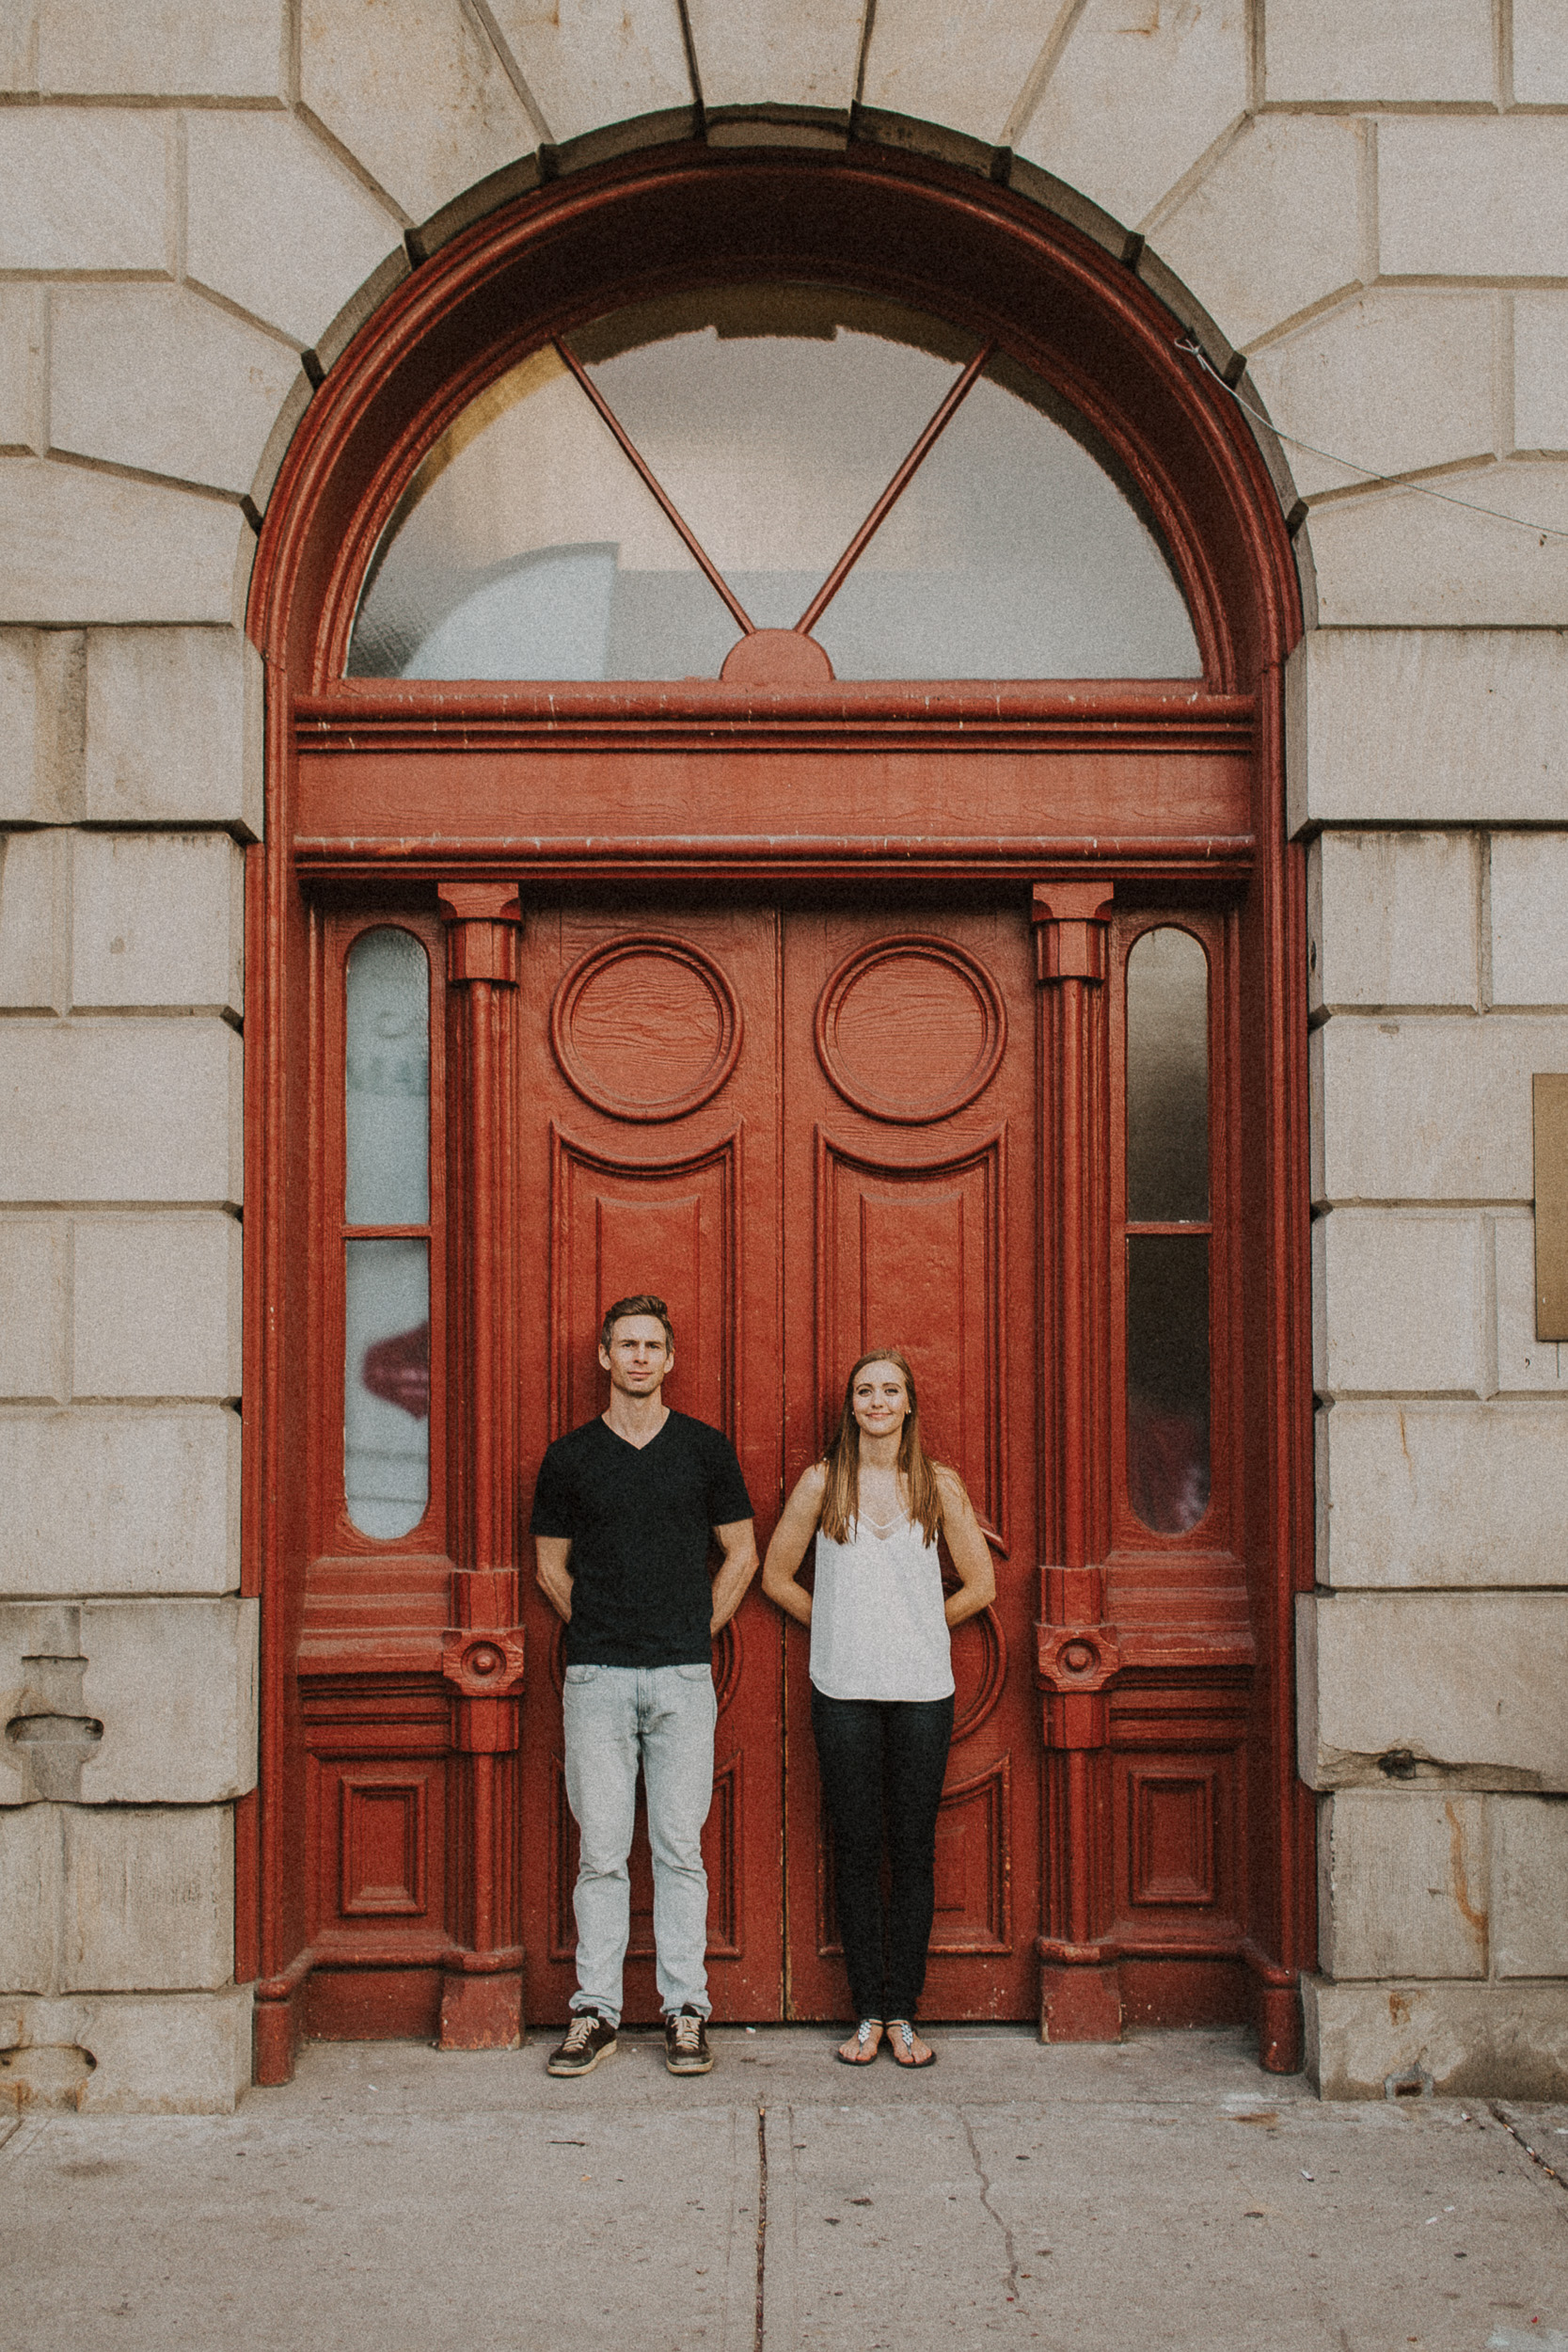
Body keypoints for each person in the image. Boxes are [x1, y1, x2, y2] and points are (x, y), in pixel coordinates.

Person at [531, 1294, 757, 2077]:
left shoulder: (703, 1449)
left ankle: (685, 2011)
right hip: (595, 1675)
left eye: (651, 1345)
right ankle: (594, 2012)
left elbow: (742, 1554)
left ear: (670, 1359)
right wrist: (599, 1622)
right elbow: (549, 1567)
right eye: (624, 1344)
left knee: (677, 1848)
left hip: (682, 1677)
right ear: (603, 1356)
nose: (637, 1357)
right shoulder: (569, 1459)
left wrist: (698, 1630)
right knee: (599, 1851)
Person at [760, 1347, 995, 2067]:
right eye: (865, 1390)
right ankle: (866, 2012)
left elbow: (980, 1585)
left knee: (912, 1850)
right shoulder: (821, 1483)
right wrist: (834, 1624)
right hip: (843, 1692)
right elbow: (774, 1576)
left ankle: (904, 2013)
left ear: (908, 1404)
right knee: (859, 1851)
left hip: (922, 1692)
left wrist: (917, 1625)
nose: (878, 1401)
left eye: (890, 1390)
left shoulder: (937, 1485)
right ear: (851, 1406)